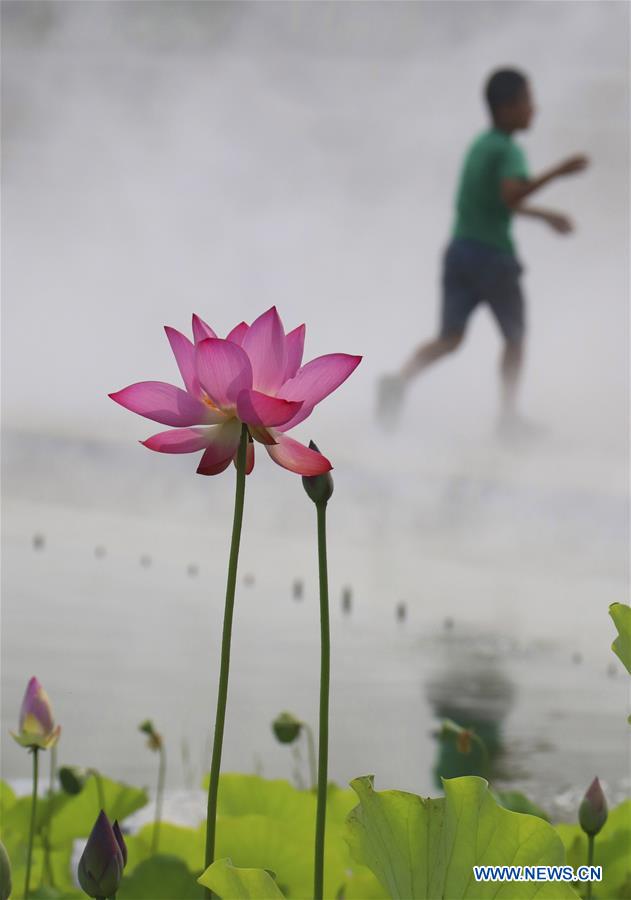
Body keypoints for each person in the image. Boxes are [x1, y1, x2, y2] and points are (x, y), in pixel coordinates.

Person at [378, 68, 589, 435]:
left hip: (460, 251)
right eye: (527, 101)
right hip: (492, 257)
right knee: (515, 338)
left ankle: (398, 381)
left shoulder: (481, 145)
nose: (533, 110)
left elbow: (497, 202)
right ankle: (508, 419)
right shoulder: (508, 150)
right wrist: (560, 171)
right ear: (506, 107)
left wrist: (544, 217)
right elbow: (511, 195)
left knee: (450, 339)